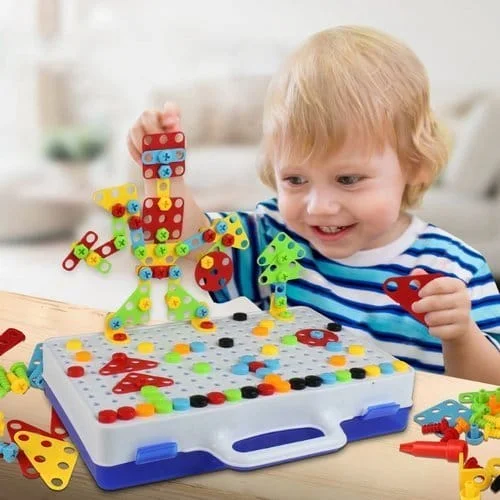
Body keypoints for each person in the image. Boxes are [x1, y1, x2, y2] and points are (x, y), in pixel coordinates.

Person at [127, 25, 500, 384]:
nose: (319, 207)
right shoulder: (275, 239)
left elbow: (491, 388)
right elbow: (184, 240)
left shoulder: (456, 269)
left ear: (415, 166)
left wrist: (461, 335)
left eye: (348, 179)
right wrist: (163, 174)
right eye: (295, 180)